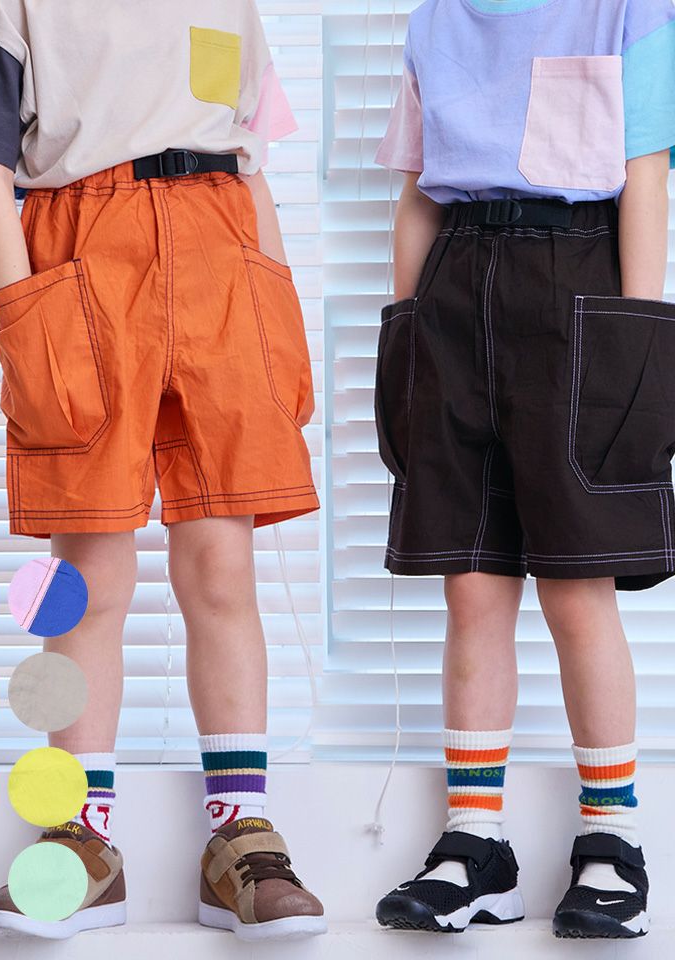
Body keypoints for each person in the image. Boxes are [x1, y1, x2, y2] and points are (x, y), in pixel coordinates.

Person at [0, 0, 326, 943]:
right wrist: (20, 313)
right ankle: (79, 839)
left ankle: (241, 839)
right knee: (86, 575)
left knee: (222, 565)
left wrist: (276, 301)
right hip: (82, 257)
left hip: (223, 260)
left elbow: (247, 161)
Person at [372, 0, 675, 940]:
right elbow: (420, 191)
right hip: (453, 290)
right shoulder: (434, 20)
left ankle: (613, 839)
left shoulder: (631, 9)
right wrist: (405, 330)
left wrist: (634, 336)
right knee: (471, 584)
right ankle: (477, 843)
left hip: (578, 283)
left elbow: (645, 176)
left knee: (578, 588)